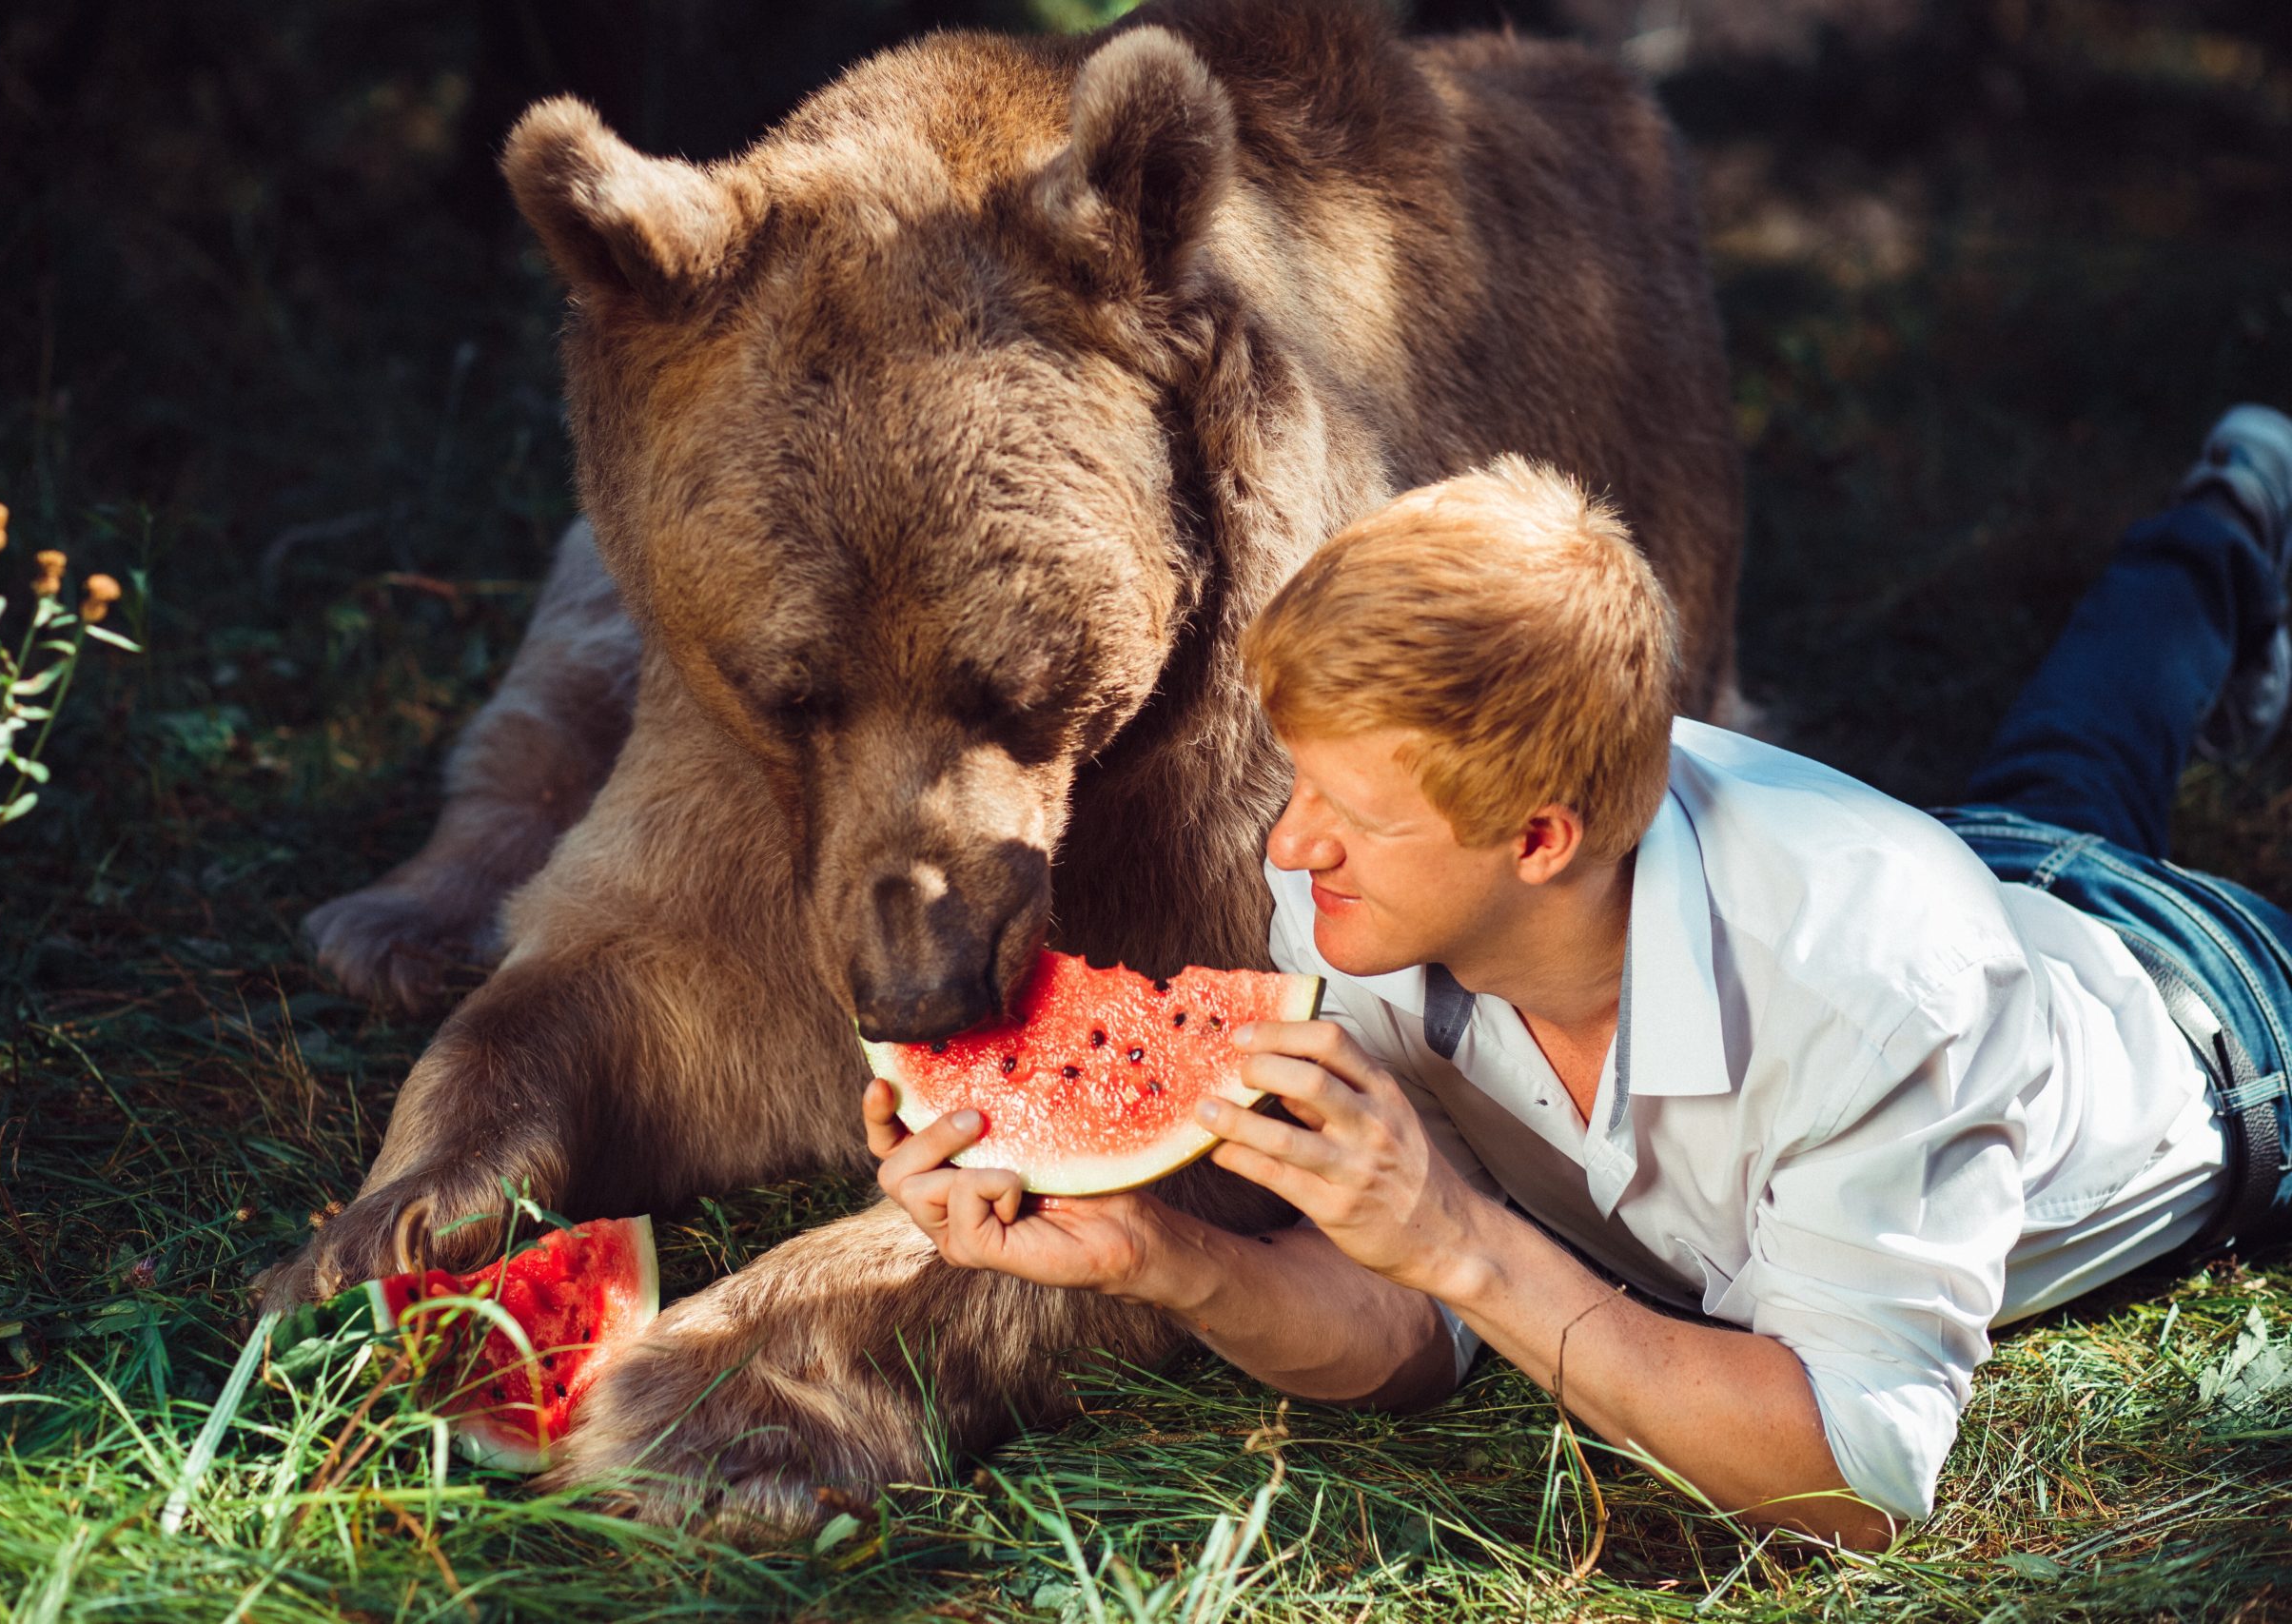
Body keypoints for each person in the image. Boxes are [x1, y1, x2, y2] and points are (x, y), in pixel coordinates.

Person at [863, 405, 2292, 1548]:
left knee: (2080, 787)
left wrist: (1460, 1241)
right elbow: (1413, 1334)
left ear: (1540, 835)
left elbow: (1852, 1482)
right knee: (2087, 734)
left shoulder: (1881, 996)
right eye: (1300, 784)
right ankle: (2232, 511)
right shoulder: (1352, 902)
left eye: (1351, 816)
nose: (1288, 848)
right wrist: (1157, 1258)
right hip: (1983, 883)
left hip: (2204, 1014)